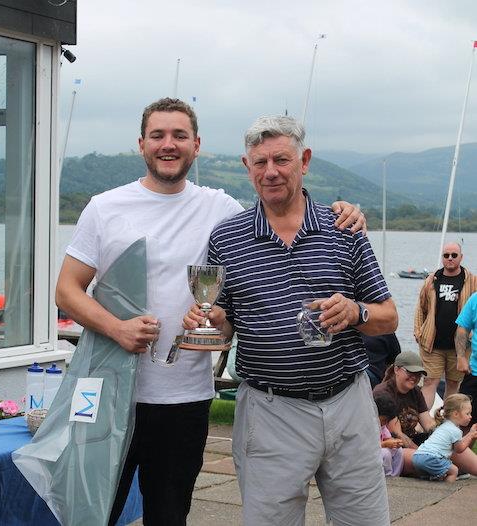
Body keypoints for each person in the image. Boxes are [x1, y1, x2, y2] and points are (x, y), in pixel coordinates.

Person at [55, 99, 365, 526]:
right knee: (91, 513)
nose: (169, 145)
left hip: (184, 396)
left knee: (169, 515)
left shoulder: (221, 209)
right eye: (158, 135)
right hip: (109, 391)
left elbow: (279, 213)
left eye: (179, 136)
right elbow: (66, 291)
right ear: (141, 144)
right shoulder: (105, 207)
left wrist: (343, 211)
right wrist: (117, 328)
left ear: (196, 145)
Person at [184, 115, 398, 526]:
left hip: (347, 402)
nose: (271, 172)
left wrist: (356, 312)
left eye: (281, 160)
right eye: (260, 163)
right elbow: (223, 322)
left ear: (305, 160)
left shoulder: (344, 229)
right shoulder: (226, 238)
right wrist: (204, 319)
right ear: (247, 168)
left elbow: (388, 317)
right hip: (270, 409)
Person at [414, 242, 477, 409]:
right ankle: (423, 425)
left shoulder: (471, 280)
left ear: (461, 257)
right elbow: (421, 307)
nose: (450, 258)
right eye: (446, 255)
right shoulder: (432, 280)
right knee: (429, 382)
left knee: (453, 385)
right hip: (433, 343)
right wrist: (418, 331)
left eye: (454, 255)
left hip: (460, 347)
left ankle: (448, 423)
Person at [373, 351, 434, 449]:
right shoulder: (383, 394)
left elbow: (428, 424)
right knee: (429, 460)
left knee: (451, 449)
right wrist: (423, 454)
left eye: (418, 374)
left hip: (412, 439)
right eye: (410, 372)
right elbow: (397, 434)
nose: (414, 377)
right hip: (392, 446)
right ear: (396, 370)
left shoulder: (415, 391)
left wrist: (442, 436)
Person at [411, 394, 477, 482]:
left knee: (437, 474)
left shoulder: (443, 425)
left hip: (417, 456)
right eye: (467, 413)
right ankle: (446, 491)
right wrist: (471, 434)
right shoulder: (455, 430)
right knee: (454, 471)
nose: (470, 416)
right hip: (431, 458)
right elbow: (459, 449)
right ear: (456, 414)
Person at [455, 291, 477, 426]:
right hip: (475, 373)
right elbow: (463, 328)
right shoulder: (475, 299)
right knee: (463, 423)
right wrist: (461, 357)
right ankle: (461, 447)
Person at [374, 393, 404, 477]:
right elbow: (367, 446)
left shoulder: (382, 426)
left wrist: (394, 442)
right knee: (385, 453)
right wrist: (385, 444)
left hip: (380, 447)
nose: (384, 423)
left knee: (399, 450)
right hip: (370, 452)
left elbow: (387, 438)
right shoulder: (368, 425)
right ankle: (388, 476)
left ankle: (395, 475)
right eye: (383, 420)